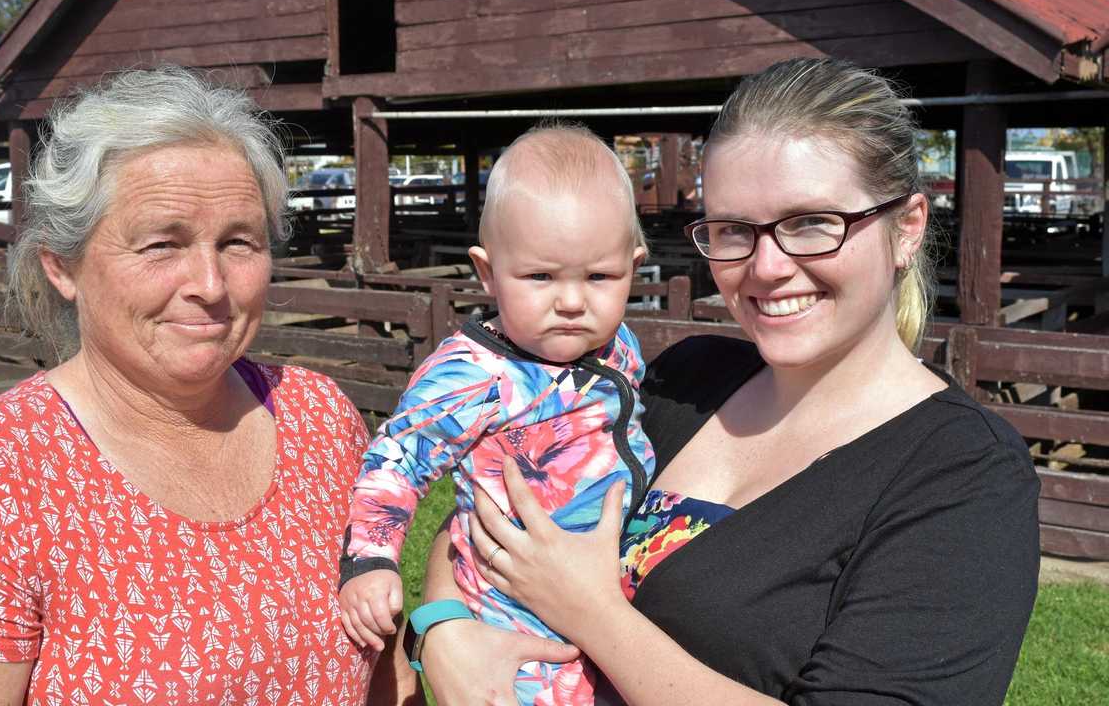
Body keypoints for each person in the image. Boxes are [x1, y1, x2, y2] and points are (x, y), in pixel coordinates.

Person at [416, 58, 1040, 705]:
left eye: (810, 223)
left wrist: (591, 612)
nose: (766, 268)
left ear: (906, 226)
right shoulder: (682, 378)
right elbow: (490, 502)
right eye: (734, 231)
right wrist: (441, 626)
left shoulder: (964, 473)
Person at [0, 66, 414, 705]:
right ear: (63, 267)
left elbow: (387, 680)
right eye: (160, 244)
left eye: (238, 242)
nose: (210, 283)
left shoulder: (318, 418)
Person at [338, 125, 655, 705]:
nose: (571, 301)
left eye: (600, 277)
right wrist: (373, 561)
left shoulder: (618, 346)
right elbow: (398, 458)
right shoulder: (473, 376)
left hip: (607, 599)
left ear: (633, 268)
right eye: (540, 277)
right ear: (487, 273)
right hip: (515, 617)